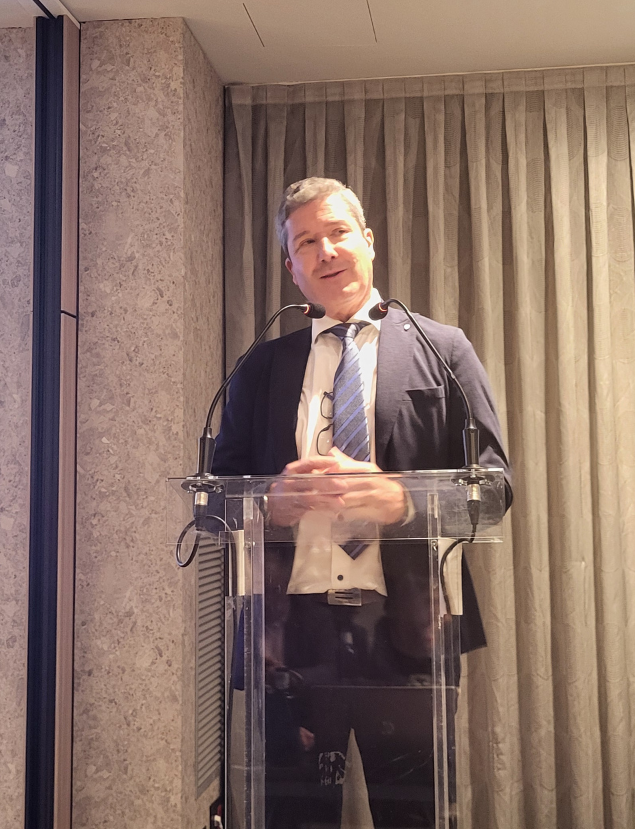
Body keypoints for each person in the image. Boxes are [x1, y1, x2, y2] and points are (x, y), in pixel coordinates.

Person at [212, 177, 512, 829]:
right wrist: (268, 501)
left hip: (406, 639)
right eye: (306, 243)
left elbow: (493, 491)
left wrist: (401, 500)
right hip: (288, 642)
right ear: (291, 268)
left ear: (368, 241)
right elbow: (215, 502)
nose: (325, 252)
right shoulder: (261, 367)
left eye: (338, 233)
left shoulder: (443, 350)